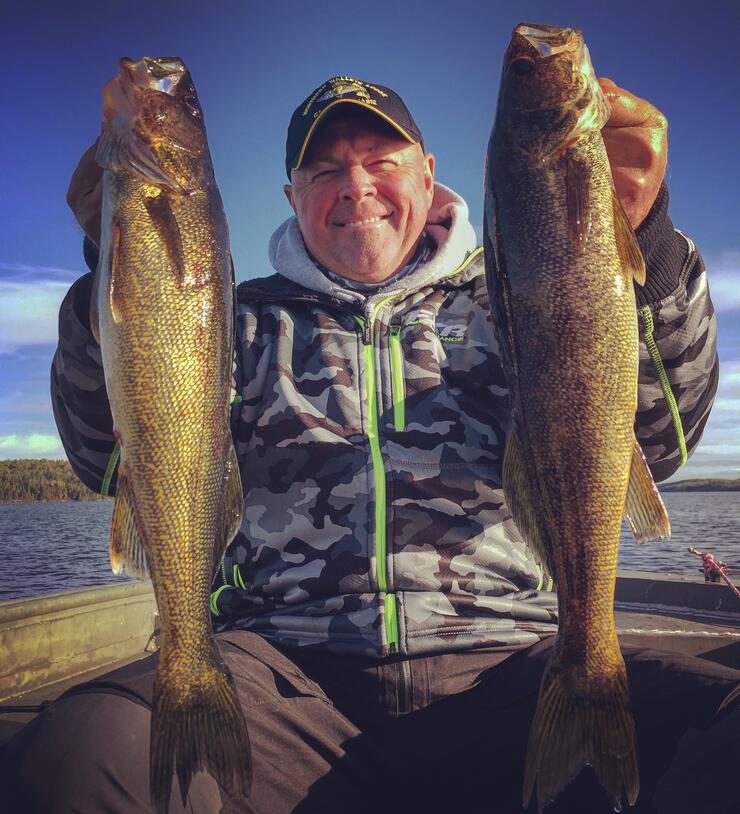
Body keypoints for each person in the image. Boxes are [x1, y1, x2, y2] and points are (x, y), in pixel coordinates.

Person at [1, 74, 738, 814]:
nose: (356, 187)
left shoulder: (520, 292)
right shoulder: (228, 315)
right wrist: (118, 265)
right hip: (280, 677)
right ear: (292, 197)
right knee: (81, 757)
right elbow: (105, 459)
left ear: (427, 171)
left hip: (516, 665)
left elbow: (660, 438)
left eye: (382, 161)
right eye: (324, 171)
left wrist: (645, 240)